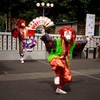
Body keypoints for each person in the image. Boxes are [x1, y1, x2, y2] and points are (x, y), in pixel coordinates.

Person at [40, 25, 88, 94]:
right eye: (66, 34)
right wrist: (44, 34)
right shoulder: (58, 41)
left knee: (67, 76)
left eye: (70, 34)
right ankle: (57, 76)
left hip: (64, 60)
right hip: (55, 57)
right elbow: (50, 40)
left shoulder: (72, 44)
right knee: (59, 64)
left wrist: (87, 39)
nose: (68, 37)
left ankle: (59, 88)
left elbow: (79, 43)